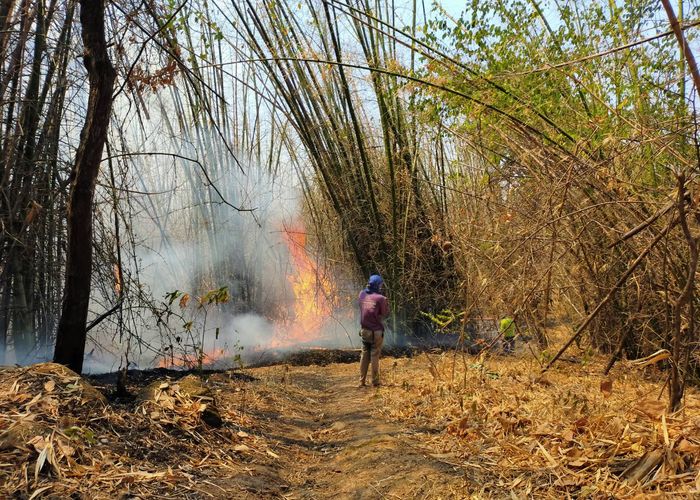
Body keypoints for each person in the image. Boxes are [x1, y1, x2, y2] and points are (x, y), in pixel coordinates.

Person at [358, 274, 389, 387]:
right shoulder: (381, 298)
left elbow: (363, 309)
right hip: (376, 331)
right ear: (378, 285)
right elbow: (384, 313)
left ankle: (361, 381)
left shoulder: (361, 294)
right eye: (380, 285)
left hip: (364, 330)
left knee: (364, 354)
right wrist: (385, 302)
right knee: (374, 355)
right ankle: (375, 382)